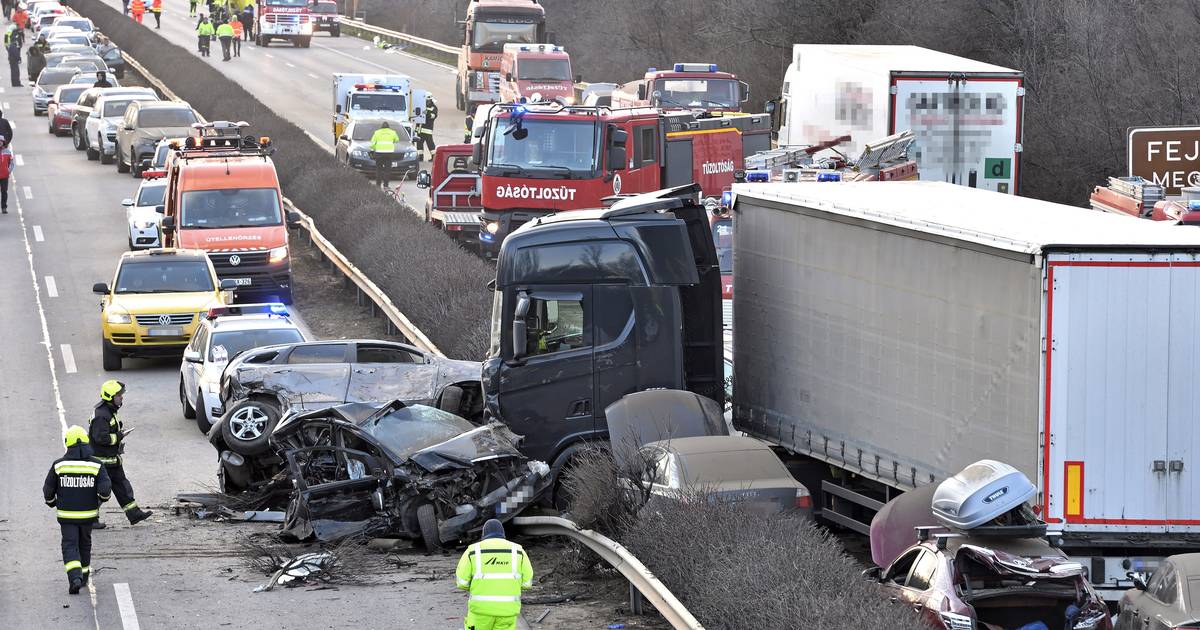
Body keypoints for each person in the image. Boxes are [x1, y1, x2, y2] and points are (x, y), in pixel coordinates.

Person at [44, 426, 112, 595]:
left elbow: (47, 491)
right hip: (88, 516)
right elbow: (105, 490)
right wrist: (98, 502)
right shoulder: (96, 465)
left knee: (69, 545)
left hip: (66, 516)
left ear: (68, 444)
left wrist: (52, 503)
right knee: (84, 544)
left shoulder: (59, 465)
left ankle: (74, 578)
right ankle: (83, 576)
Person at [87, 381, 153, 530]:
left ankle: (134, 514)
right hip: (103, 462)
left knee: (122, 486)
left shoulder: (108, 411)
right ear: (110, 397)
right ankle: (90, 519)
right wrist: (118, 436)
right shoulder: (101, 415)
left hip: (111, 460)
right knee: (103, 491)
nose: (121, 398)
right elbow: (100, 438)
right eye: (119, 395)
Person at [455, 519, 533, 630]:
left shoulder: (473, 550)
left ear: (483, 534)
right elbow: (527, 583)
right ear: (503, 534)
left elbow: (462, 582)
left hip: (480, 612)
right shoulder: (518, 551)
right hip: (507, 612)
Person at [369, 121, 400, 188]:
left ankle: (378, 184)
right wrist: (392, 141)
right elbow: (397, 139)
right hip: (389, 153)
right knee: (387, 170)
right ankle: (386, 185)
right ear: (388, 127)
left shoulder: (377, 132)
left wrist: (373, 149)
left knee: (379, 169)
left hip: (379, 153)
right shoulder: (392, 132)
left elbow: (372, 144)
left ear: (381, 127)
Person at [416, 95, 438, 161]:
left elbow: (433, 116)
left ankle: (434, 157)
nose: (427, 102)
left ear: (431, 100)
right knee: (419, 144)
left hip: (427, 130)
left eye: (428, 101)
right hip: (420, 129)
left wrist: (426, 113)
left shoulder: (434, 108)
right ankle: (420, 157)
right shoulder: (421, 106)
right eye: (426, 101)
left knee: (430, 144)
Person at [0, 138, 15, 214]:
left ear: (3, 142)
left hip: (4, 176)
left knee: (4, 192)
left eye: (1, 141)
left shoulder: (8, 152)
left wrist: (8, 171)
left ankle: (4, 207)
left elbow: (12, 163)